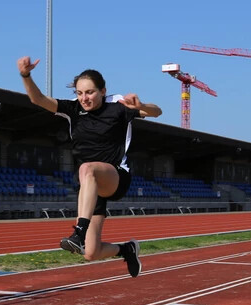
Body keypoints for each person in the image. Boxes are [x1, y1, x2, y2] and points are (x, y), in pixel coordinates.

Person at [17, 56, 162, 277]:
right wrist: (26, 75)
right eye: (80, 93)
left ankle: (78, 232)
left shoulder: (119, 107)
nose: (84, 98)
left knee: (87, 168)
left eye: (90, 92)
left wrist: (141, 106)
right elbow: (37, 99)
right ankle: (127, 249)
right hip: (90, 187)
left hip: (116, 177)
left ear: (103, 91)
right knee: (91, 253)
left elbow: (157, 111)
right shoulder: (73, 110)